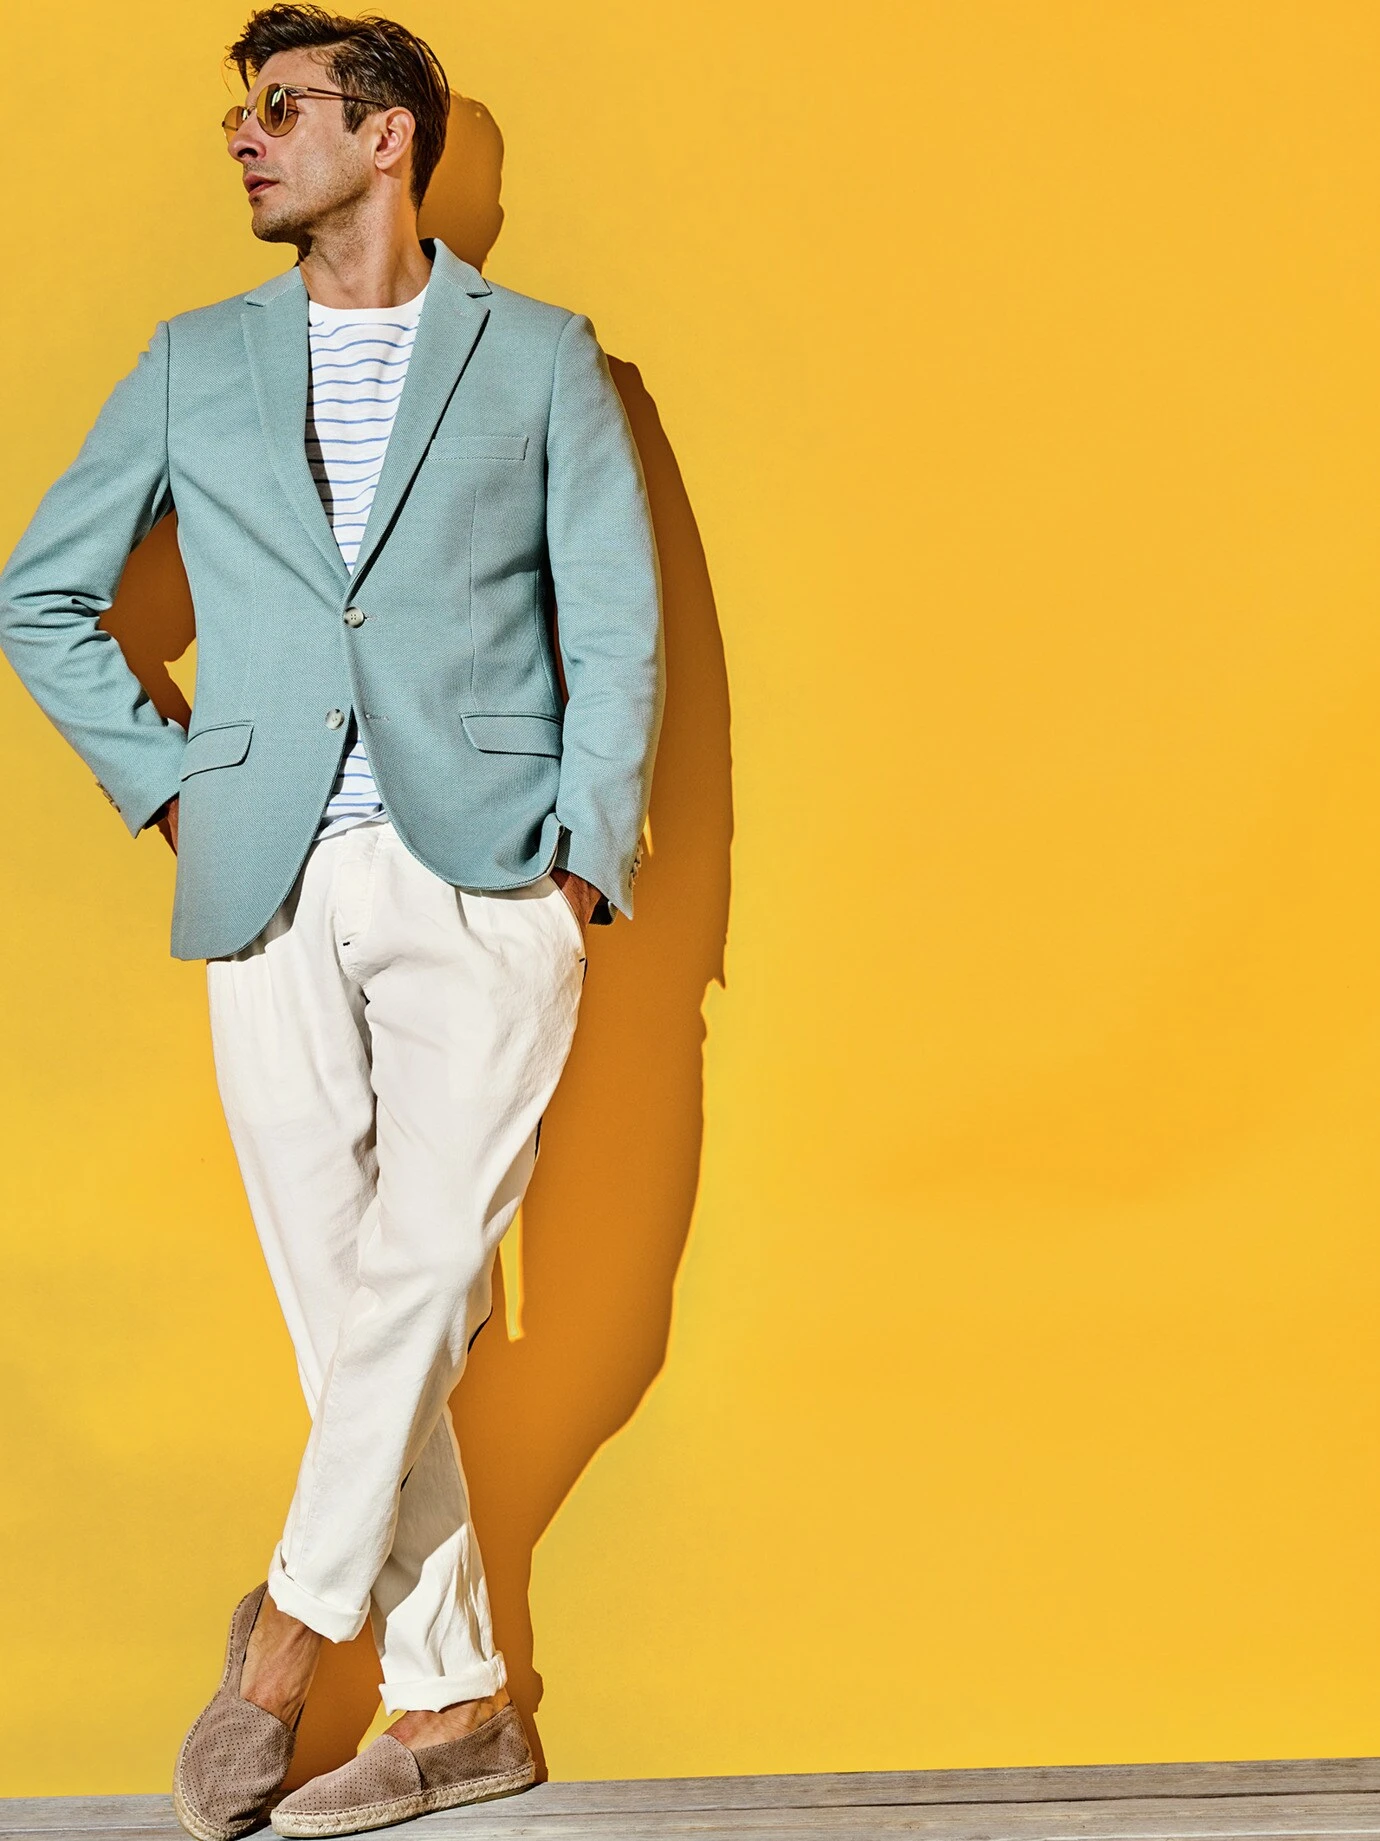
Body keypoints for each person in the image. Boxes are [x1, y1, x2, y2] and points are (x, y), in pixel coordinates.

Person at [0, 4, 663, 1836]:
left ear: (389, 138)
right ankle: (455, 1708)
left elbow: (613, 620)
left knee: (425, 1268)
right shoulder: (193, 362)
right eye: (240, 112)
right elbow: (40, 595)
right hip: (269, 877)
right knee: (342, 1305)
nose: (244, 134)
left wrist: (581, 853)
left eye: (279, 106)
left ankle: (286, 1642)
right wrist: (169, 786)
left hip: (488, 872)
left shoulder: (539, 358)